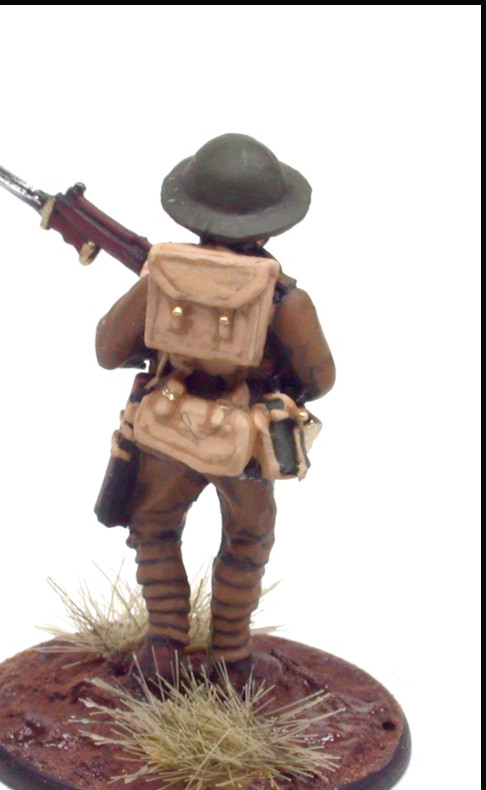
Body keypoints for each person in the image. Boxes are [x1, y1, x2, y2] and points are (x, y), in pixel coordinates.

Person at [95, 134, 335, 686]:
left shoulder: (160, 280)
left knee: (154, 529)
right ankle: (231, 658)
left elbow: (108, 349)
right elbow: (319, 378)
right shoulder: (286, 301)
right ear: (271, 226)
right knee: (248, 542)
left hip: (165, 430)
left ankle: (163, 650)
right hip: (245, 444)